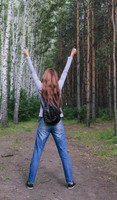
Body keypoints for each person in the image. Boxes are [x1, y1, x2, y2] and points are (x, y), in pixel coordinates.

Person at [23, 47, 77, 190]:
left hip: (44, 122)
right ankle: (70, 182)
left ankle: (30, 182)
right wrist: (71, 55)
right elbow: (65, 72)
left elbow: (33, 73)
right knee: (63, 152)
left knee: (37, 151)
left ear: (45, 78)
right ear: (55, 78)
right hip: (58, 122)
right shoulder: (59, 86)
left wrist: (27, 56)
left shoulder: (41, 87)